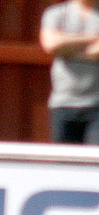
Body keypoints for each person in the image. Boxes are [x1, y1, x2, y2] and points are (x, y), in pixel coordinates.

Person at [40, 0, 99, 144]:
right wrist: (91, 39)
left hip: (96, 105)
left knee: (95, 162)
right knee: (64, 164)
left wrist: (66, 49)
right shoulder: (56, 13)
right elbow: (51, 44)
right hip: (62, 104)